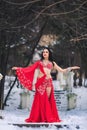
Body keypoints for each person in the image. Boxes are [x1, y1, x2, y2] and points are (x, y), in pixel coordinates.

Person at [12, 47, 80, 123]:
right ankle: (40, 117)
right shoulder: (39, 62)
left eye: (46, 52)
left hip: (48, 82)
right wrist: (19, 69)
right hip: (40, 82)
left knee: (47, 100)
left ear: (49, 53)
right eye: (43, 52)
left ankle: (46, 117)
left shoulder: (52, 63)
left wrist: (72, 68)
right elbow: (30, 68)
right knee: (40, 99)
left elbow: (62, 70)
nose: (45, 53)